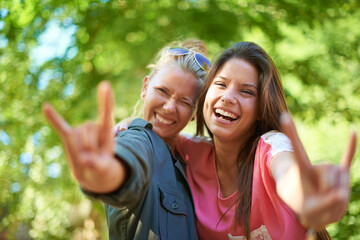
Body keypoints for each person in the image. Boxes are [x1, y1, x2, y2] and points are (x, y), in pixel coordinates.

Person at [174, 41, 357, 240]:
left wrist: (307, 197)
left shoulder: (271, 147)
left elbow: (287, 174)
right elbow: (143, 129)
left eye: (246, 91)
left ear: (262, 108)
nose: (227, 97)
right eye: (220, 84)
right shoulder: (189, 150)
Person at [42, 38, 211, 240]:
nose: (169, 107)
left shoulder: (190, 162)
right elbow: (127, 163)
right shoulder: (137, 138)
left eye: (184, 102)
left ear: (194, 113)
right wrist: (105, 174)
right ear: (145, 87)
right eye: (162, 91)